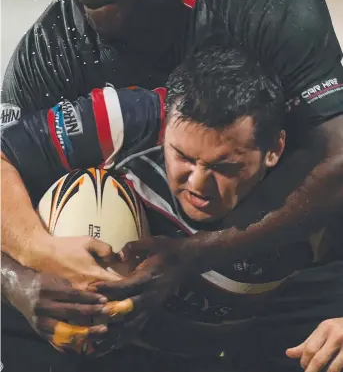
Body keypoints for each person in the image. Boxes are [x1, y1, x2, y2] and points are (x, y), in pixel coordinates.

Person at [1, 0, 343, 358]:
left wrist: (196, 253)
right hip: (138, 303)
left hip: (285, 278)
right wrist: (23, 272)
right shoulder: (52, 49)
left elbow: (335, 164)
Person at [2, 45, 343, 372]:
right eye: (182, 156)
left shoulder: (314, 190)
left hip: (199, 356)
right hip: (44, 340)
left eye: (225, 167)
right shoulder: (128, 120)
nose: (197, 184)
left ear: (274, 150)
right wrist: (19, 281)